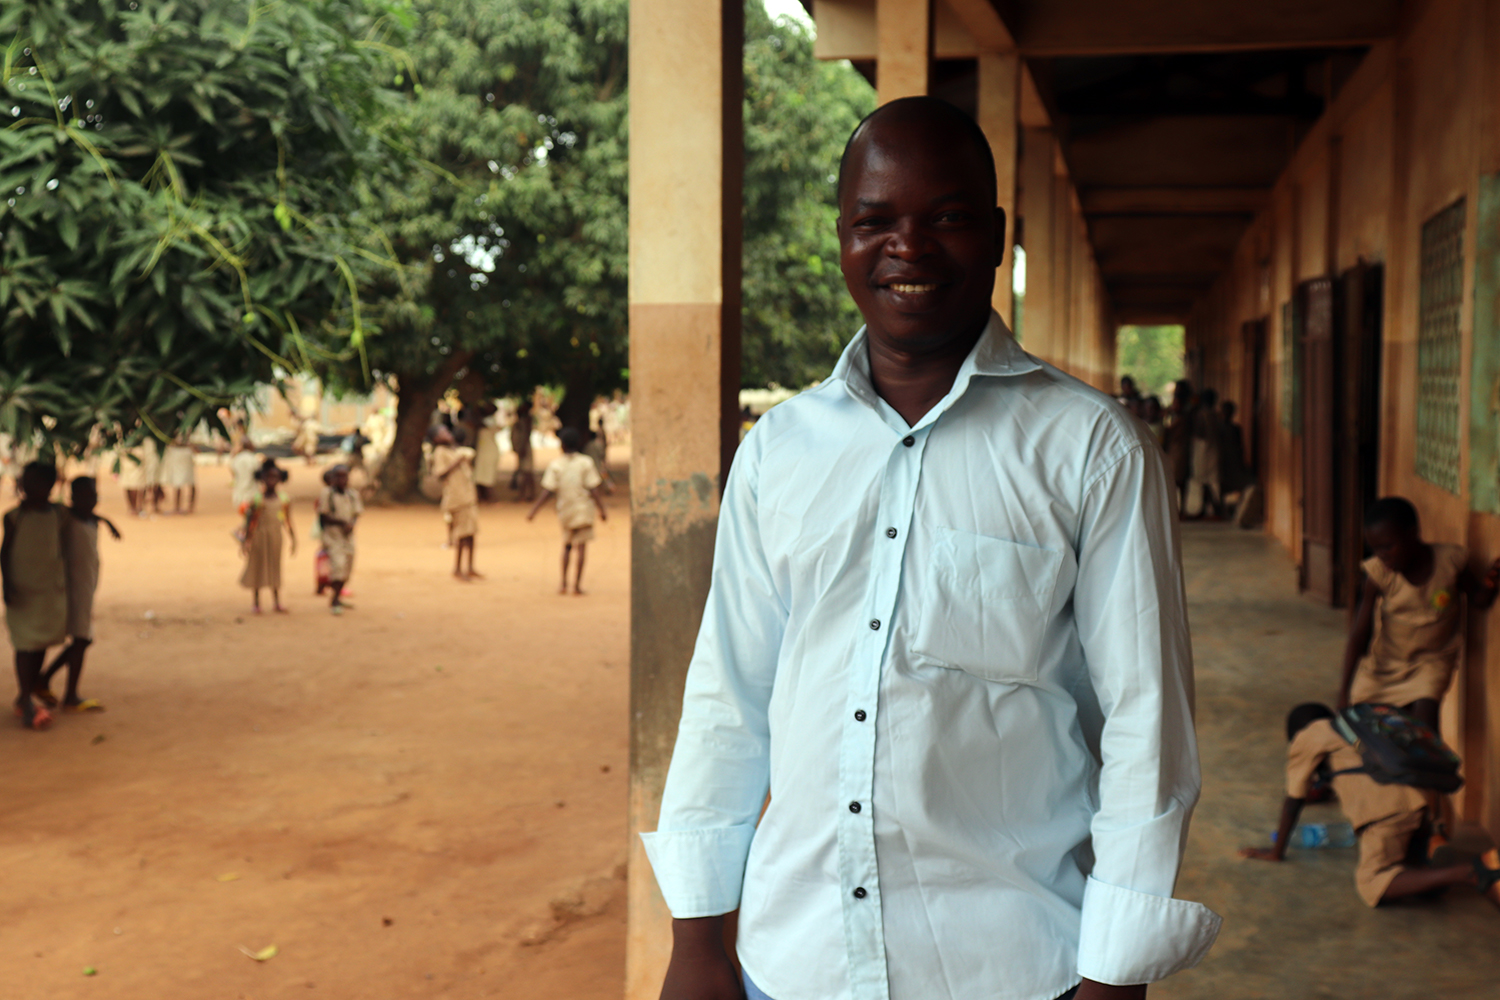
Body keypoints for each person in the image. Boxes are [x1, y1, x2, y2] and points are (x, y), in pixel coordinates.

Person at [644, 97, 1219, 1000]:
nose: (906, 248)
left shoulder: (1090, 447)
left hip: (1012, 965)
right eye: (874, 221)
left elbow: (1145, 724)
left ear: (994, 237)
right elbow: (730, 695)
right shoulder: (779, 451)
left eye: (945, 218)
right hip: (794, 964)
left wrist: (1117, 966)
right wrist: (696, 939)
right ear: (841, 238)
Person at [1240, 702, 1500, 908]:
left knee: (1373, 882)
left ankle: (1467, 873)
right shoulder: (1352, 727)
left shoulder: (1308, 736)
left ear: (1295, 733)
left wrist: (1276, 851)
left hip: (1389, 811)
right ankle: (1426, 874)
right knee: (1408, 870)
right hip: (1424, 799)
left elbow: (1294, 798)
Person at [1337, 497, 1500, 732]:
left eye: (1387, 546)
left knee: (1424, 729)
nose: (1382, 556)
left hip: (1432, 661)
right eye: (1376, 549)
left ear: (1412, 534)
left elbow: (1478, 599)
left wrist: (1491, 580)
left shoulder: (1450, 561)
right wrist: (1344, 691)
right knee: (1370, 732)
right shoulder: (1378, 575)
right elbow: (1359, 634)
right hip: (1386, 665)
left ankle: (1431, 768)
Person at [36, 477, 119, 713]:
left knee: (82, 639)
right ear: (74, 497)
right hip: (74, 589)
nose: (93, 500)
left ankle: (49, 682)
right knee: (82, 639)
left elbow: (91, 516)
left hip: (86, 586)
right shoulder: (67, 518)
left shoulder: (88, 518)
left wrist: (106, 520)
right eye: (87, 495)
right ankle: (65, 692)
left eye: (95, 495)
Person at [1, 463, 68, 730]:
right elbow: (4, 553)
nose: (28, 487)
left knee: (40, 643)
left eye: (35, 483)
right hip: (22, 590)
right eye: (25, 482)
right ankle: (27, 701)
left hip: (48, 591)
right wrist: (6, 585)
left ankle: (23, 696)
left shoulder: (58, 514)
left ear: (49, 486)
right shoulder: (14, 517)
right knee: (24, 644)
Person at [527, 427, 608, 595]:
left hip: (566, 510)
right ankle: (577, 585)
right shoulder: (585, 462)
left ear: (562, 445)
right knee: (582, 547)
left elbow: (548, 491)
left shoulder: (556, 465)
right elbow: (594, 488)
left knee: (567, 546)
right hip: (584, 509)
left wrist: (534, 510)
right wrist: (602, 509)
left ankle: (563, 583)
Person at [239, 460, 297, 613]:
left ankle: (276, 602)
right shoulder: (257, 500)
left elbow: (287, 521)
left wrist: (293, 539)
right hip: (260, 536)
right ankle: (256, 602)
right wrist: (246, 541)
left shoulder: (284, 499)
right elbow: (250, 522)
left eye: (274, 477)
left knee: (274, 567)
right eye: (268, 477)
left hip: (276, 537)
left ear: (280, 479)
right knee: (257, 567)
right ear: (262, 478)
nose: (271, 481)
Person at [432, 427, 480, 580]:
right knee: (461, 534)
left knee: (471, 533)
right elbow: (440, 473)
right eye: (442, 433)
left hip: (468, 497)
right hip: (457, 498)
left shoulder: (455, 450)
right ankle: (458, 569)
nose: (447, 434)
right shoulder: (440, 452)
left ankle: (470, 567)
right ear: (436, 439)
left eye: (447, 432)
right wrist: (457, 462)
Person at [316, 464, 362, 615]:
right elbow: (323, 515)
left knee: (347, 565)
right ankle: (334, 599)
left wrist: (351, 525)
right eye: (338, 477)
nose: (342, 480)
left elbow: (356, 513)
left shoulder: (352, 494)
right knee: (338, 565)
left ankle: (338, 594)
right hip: (333, 536)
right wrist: (342, 523)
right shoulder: (327, 494)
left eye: (344, 476)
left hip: (347, 537)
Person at [160, 433, 197, 514]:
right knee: (182, 481)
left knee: (184, 481)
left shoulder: (177, 425)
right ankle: (180, 507)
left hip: (180, 451)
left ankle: (184, 507)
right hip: (179, 451)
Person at [473, 405, 501, 501]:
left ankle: (490, 497)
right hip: (483, 451)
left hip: (489, 451)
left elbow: (480, 424)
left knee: (487, 475)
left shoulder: (489, 420)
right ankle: (482, 496)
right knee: (480, 474)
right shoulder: (485, 420)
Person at [510, 399, 536, 501]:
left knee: (527, 472)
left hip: (524, 447)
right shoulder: (521, 419)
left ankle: (528, 494)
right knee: (524, 472)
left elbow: (526, 435)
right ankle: (525, 494)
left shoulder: (526, 419)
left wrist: (523, 447)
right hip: (522, 447)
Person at [229, 439, 261, 510]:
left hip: (240, 492)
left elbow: (233, 473)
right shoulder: (254, 458)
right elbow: (259, 474)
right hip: (253, 491)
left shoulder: (236, 459)